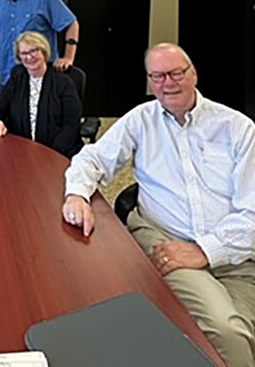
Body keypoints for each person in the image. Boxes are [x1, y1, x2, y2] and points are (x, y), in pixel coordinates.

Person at [62, 42, 255, 366]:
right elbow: (92, 159)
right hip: (170, 243)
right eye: (158, 76)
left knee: (237, 332)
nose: (167, 83)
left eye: (175, 73)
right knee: (227, 331)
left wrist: (205, 251)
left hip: (237, 255)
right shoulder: (141, 120)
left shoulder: (237, 128)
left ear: (193, 74)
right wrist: (77, 194)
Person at [0, 31, 83, 158]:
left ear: (44, 51)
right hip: (21, 151)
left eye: (34, 51)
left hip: (58, 152)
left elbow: (72, 124)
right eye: (24, 53)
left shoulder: (63, 83)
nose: (29, 57)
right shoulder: (17, 80)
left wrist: (52, 152)